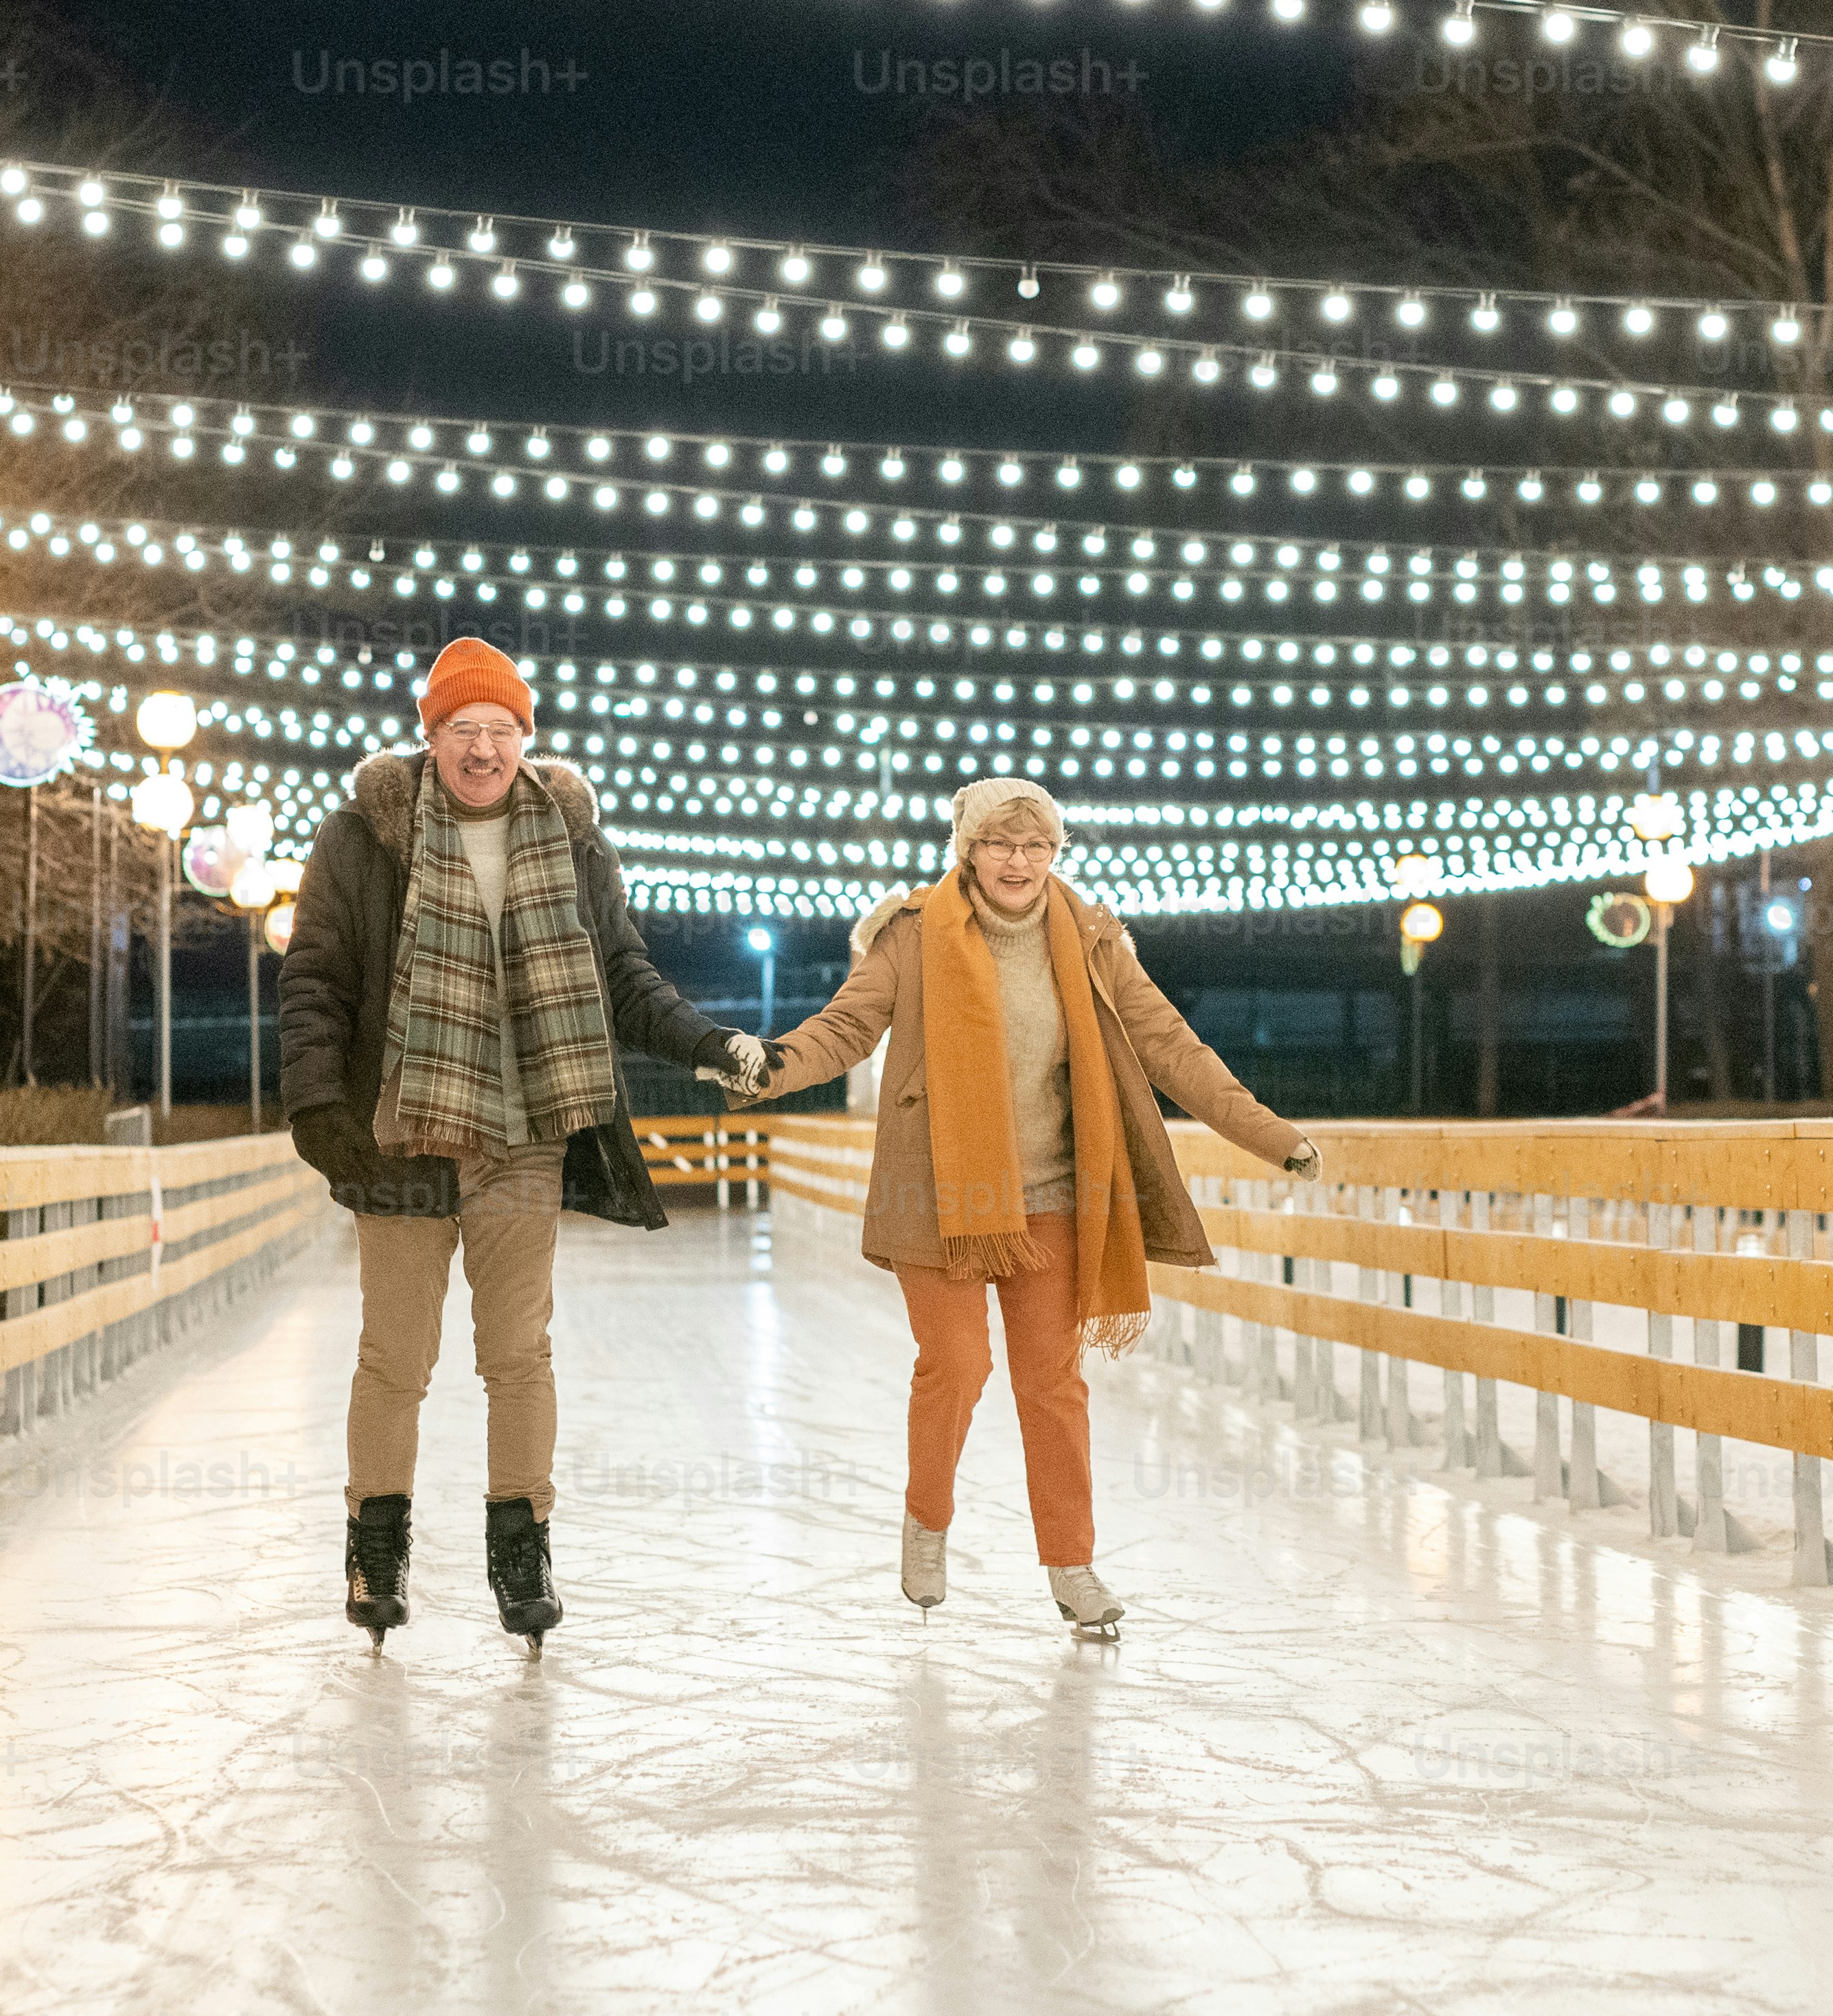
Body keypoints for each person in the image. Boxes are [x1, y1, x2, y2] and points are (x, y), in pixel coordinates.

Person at [728, 778, 1317, 1636]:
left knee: (1053, 1384)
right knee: (958, 1364)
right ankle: (927, 1521)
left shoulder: (1091, 939)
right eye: (1000, 843)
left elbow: (1170, 1045)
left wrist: (1270, 1135)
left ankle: (1073, 1566)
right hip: (941, 1194)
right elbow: (845, 1028)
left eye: (1037, 845)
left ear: (1055, 853)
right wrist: (767, 1064)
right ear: (967, 850)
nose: (1019, 861)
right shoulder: (913, 935)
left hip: (1053, 1197)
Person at [279, 639, 763, 1647]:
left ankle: (521, 1545)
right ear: (432, 736)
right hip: (402, 1133)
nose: (483, 749)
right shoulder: (363, 838)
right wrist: (318, 1105)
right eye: (463, 729)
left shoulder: (573, 841)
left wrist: (708, 1043)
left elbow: (624, 977)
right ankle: (376, 1549)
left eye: (501, 730)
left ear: (524, 738)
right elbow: (316, 978)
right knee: (394, 1358)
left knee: (516, 1352)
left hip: (526, 1134)